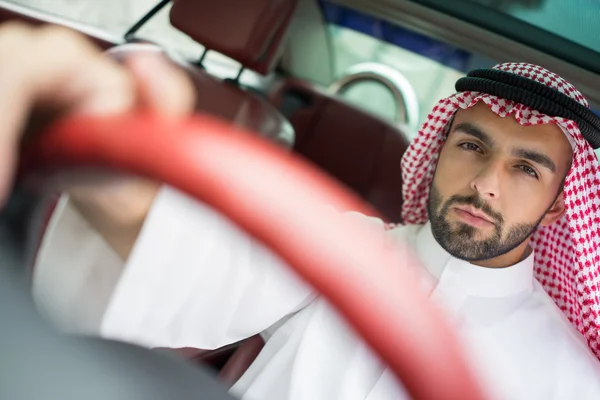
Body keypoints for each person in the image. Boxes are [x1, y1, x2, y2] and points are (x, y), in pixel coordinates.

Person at [3, 22, 600, 400]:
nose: (486, 185)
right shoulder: (344, 246)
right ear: (438, 152)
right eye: (470, 145)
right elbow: (197, 262)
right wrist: (86, 136)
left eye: (526, 169)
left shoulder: (572, 376)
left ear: (556, 210)